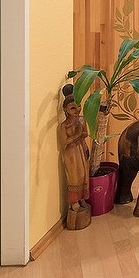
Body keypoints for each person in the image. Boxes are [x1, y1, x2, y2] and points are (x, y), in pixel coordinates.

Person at [60, 94, 91, 229]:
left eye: (78, 106)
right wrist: (78, 134)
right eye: (72, 108)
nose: (77, 110)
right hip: (71, 153)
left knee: (83, 174)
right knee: (74, 177)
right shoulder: (64, 126)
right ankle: (74, 202)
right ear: (65, 110)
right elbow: (64, 141)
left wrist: (80, 135)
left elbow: (86, 133)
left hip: (81, 148)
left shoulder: (82, 120)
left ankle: (82, 198)